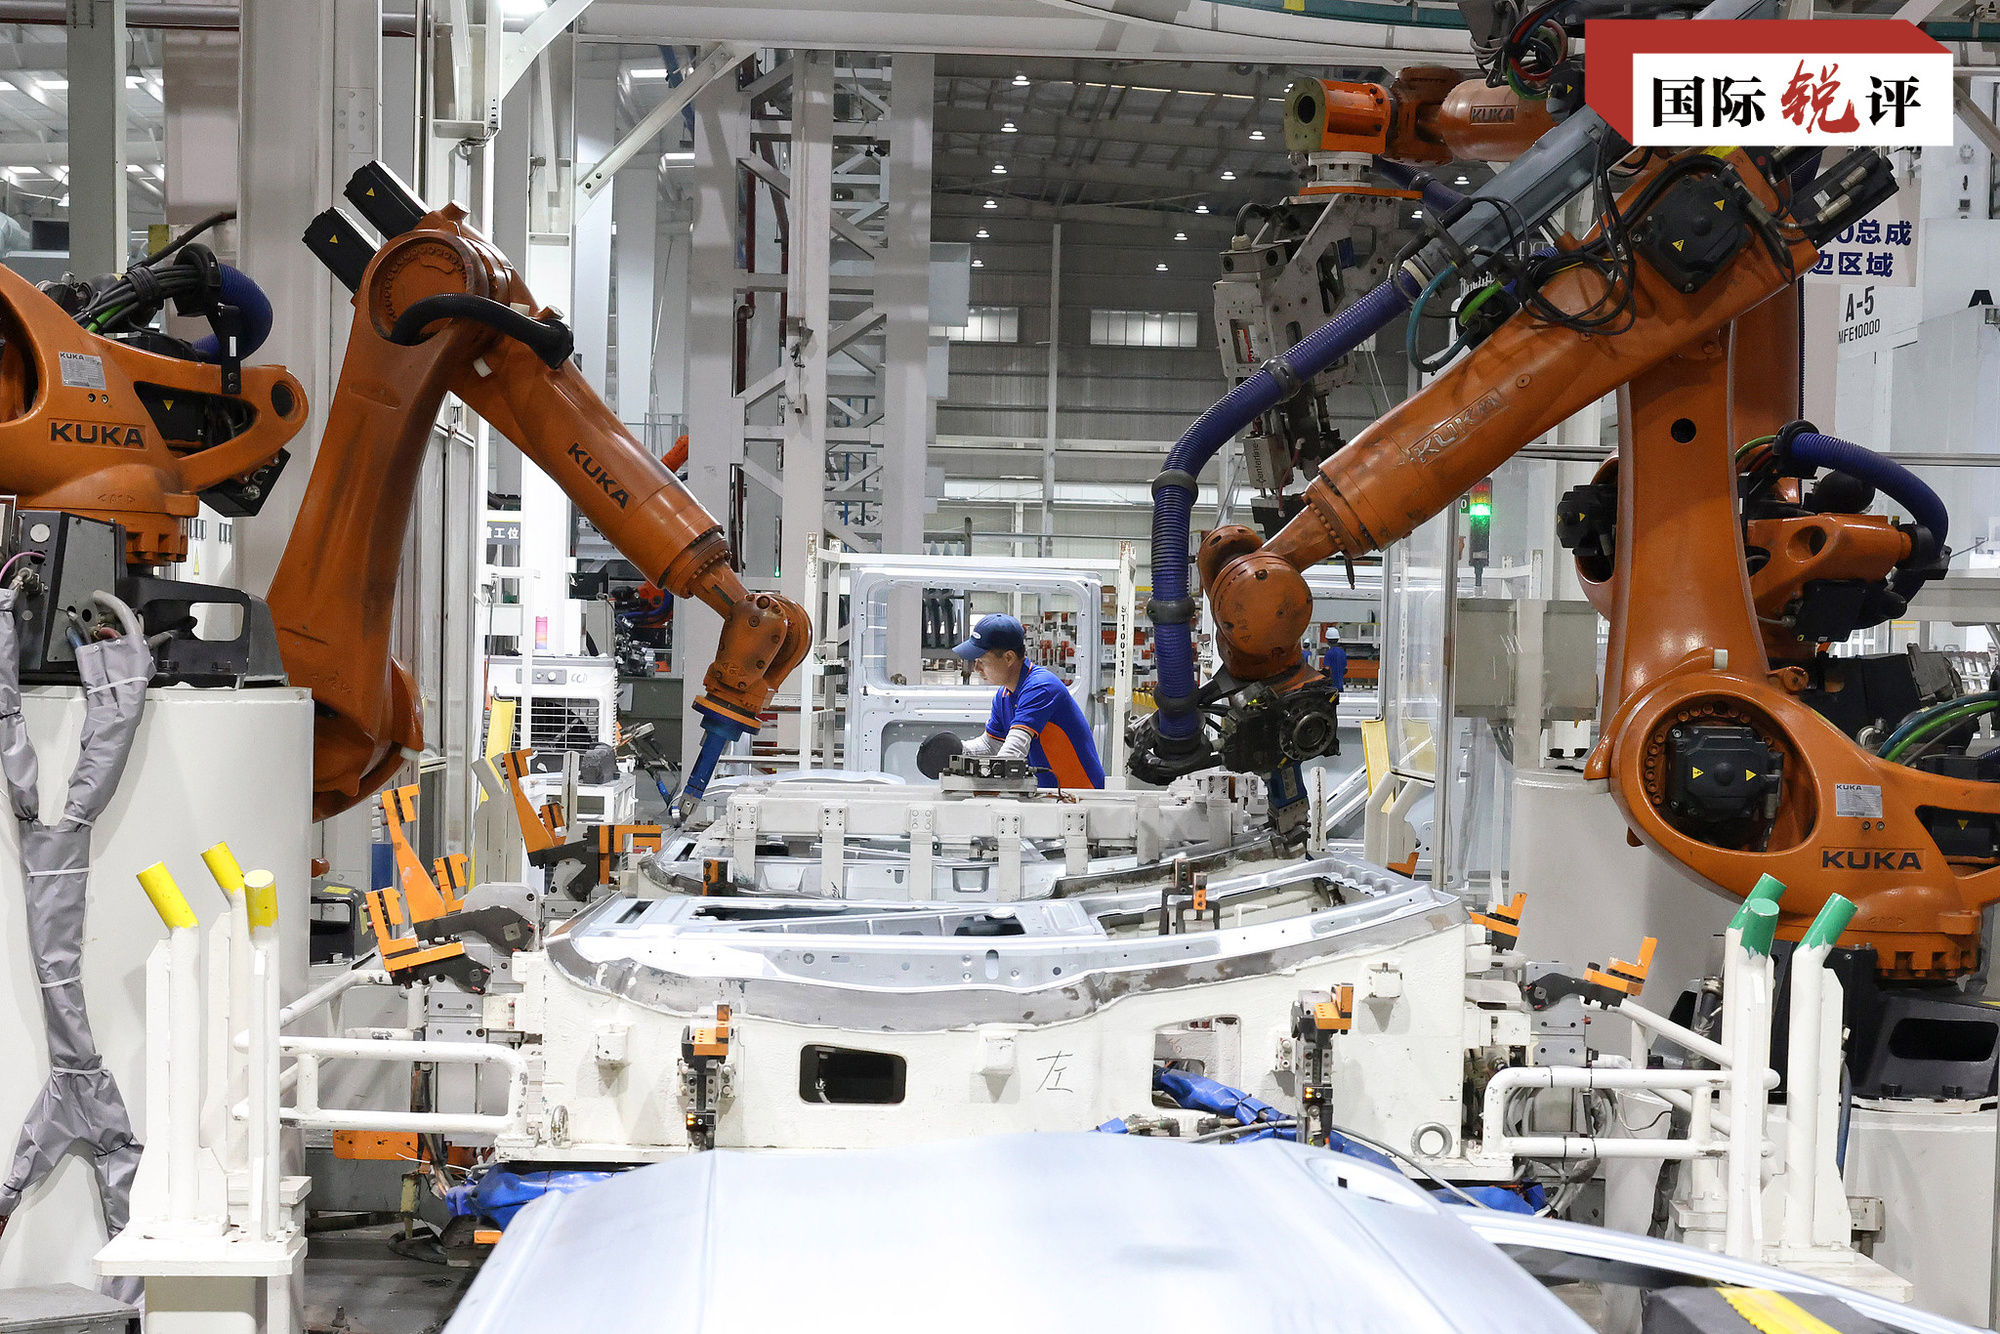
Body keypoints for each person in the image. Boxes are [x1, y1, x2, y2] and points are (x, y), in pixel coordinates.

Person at [951, 613, 1105, 790]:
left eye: (981, 661)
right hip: (1048, 796)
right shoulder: (1004, 695)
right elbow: (991, 745)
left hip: (1081, 797)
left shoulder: (1041, 687)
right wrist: (957, 752)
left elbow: (1013, 751)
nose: (976, 668)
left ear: (1009, 658)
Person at [1320, 627, 1347, 693]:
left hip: (1331, 687)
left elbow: (1326, 670)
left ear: (1327, 640)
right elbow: (1345, 669)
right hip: (1340, 686)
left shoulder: (1329, 653)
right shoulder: (1342, 652)